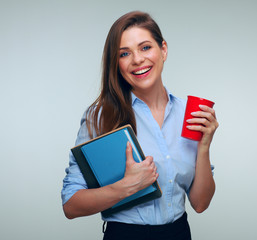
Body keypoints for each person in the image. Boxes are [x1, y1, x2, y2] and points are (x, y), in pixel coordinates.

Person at [61, 11, 219, 240]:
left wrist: (204, 147)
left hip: (179, 233)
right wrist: (126, 187)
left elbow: (201, 203)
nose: (137, 59)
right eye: (124, 53)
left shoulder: (189, 114)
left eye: (145, 47)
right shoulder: (100, 116)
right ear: (116, 63)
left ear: (163, 50)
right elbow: (71, 205)